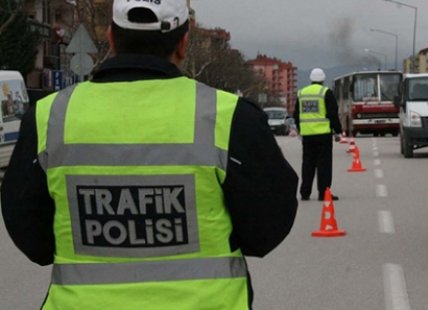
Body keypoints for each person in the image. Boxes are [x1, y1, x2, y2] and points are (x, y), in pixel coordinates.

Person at [0, 1, 298, 309]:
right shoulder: (229, 117)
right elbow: (267, 228)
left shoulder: (50, 117)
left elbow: (29, 234)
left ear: (112, 38)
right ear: (184, 43)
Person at [293, 68, 343, 201]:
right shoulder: (326, 92)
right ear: (323, 80)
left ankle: (305, 192)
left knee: (308, 164)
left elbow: (296, 114)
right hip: (323, 135)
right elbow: (333, 113)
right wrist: (338, 131)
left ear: (310, 79)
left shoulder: (301, 93)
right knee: (324, 165)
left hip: (307, 135)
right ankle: (323, 193)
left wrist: (300, 129)